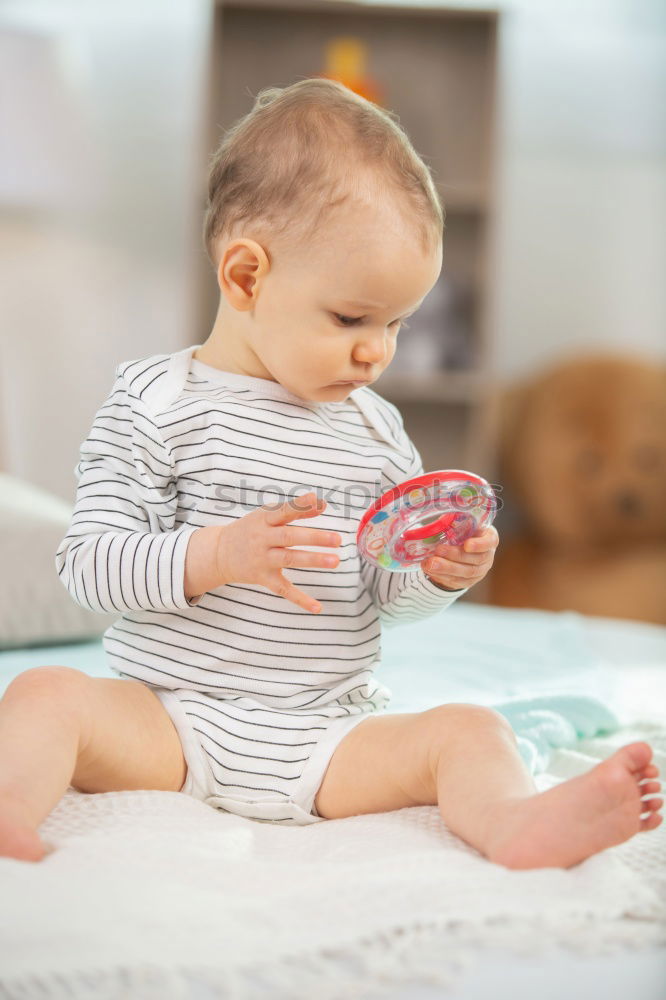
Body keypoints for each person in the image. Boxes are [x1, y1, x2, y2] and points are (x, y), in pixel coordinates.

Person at [0, 79, 661, 867]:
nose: (377, 352)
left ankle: (518, 823)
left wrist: (436, 575)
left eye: (396, 323)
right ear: (246, 277)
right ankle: (8, 804)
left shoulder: (378, 433)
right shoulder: (156, 403)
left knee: (468, 730)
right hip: (170, 721)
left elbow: (383, 598)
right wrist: (216, 555)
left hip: (327, 732)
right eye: (351, 318)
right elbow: (89, 569)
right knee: (45, 697)